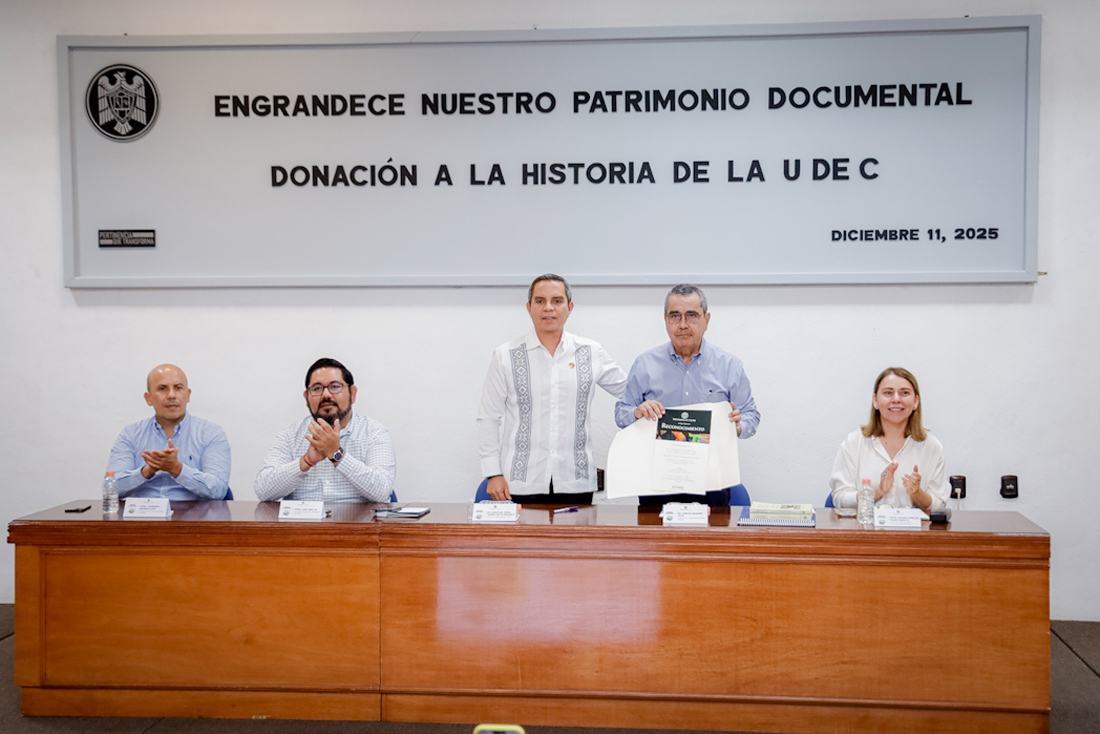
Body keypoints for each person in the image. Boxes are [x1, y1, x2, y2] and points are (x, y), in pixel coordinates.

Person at [478, 273, 628, 504]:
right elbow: (488, 417)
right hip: (521, 481)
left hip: (575, 481)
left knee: (577, 530)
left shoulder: (590, 352)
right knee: (524, 531)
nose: (548, 308)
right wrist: (493, 473)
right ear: (529, 308)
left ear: (570, 308)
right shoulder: (505, 355)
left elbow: (629, 391)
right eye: (540, 301)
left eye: (557, 301)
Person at [615, 283, 759, 506]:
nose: (683, 324)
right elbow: (621, 413)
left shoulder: (730, 366)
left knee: (713, 531)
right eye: (675, 316)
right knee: (654, 531)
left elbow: (751, 414)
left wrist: (739, 425)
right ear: (665, 320)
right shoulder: (644, 364)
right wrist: (637, 412)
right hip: (656, 482)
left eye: (691, 315)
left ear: (706, 320)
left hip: (712, 481)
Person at [255, 358, 396, 502]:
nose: (326, 395)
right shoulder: (290, 434)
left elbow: (382, 491)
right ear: (306, 398)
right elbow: (263, 492)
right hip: (304, 517)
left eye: (335, 387)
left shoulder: (374, 432)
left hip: (357, 517)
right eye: (317, 389)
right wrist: (306, 461)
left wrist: (336, 454)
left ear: (352, 393)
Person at [829, 366, 948, 511]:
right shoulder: (854, 443)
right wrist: (878, 491)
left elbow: (939, 505)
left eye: (904, 393)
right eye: (888, 393)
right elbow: (840, 499)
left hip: (914, 527)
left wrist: (917, 494)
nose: (896, 399)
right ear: (875, 401)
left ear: (915, 402)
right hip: (865, 526)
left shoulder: (931, 447)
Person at [107, 364, 231, 501]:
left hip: (193, 514)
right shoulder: (130, 434)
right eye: (162, 388)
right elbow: (111, 489)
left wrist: (177, 469)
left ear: (188, 395)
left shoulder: (211, 433)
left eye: (178, 388)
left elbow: (219, 489)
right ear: (148, 398)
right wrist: (147, 471)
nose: (171, 395)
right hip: (144, 513)